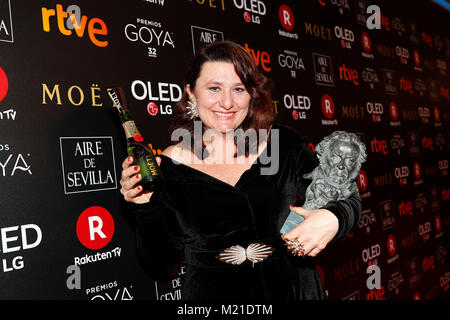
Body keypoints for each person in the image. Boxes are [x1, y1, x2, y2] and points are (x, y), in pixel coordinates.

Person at [119, 40, 361, 300]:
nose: (227, 102)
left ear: (251, 94)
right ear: (191, 93)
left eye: (238, 89)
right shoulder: (169, 167)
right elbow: (160, 263)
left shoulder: (282, 144)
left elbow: (346, 196)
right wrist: (145, 206)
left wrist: (334, 218)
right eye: (214, 88)